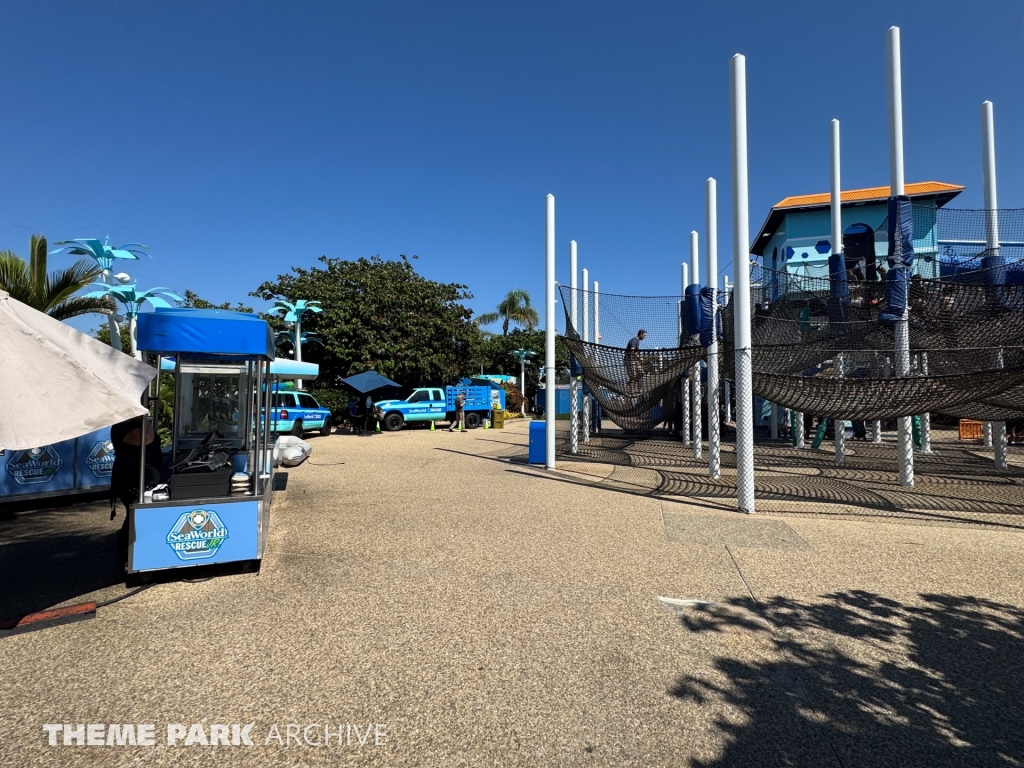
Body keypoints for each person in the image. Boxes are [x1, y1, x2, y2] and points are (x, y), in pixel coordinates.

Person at [624, 329, 647, 393]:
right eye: (644, 335)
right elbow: (632, 350)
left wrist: (639, 359)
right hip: (629, 360)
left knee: (641, 372)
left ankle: (632, 383)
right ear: (641, 334)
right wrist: (639, 358)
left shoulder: (638, 341)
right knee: (633, 375)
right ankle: (631, 390)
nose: (645, 337)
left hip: (634, 360)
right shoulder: (634, 340)